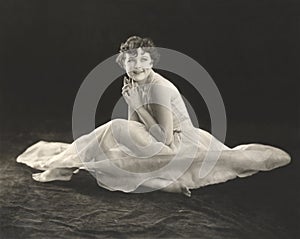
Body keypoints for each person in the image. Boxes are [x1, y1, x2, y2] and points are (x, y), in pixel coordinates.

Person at [16, 36, 291, 196]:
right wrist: (133, 106)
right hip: (156, 138)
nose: (137, 66)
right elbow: (133, 129)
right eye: (130, 61)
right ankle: (76, 165)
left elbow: (166, 138)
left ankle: (70, 165)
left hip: (178, 143)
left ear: (152, 62)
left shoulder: (159, 87)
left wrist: (136, 106)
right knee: (114, 149)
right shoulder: (134, 84)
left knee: (111, 135)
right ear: (122, 64)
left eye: (143, 60)